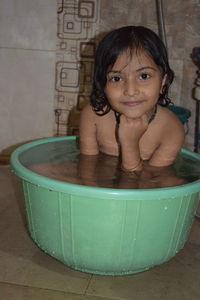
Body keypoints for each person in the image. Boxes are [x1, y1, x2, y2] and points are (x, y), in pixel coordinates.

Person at [79, 26, 185, 173]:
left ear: (163, 82)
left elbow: (148, 186)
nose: (130, 91)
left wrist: (130, 144)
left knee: (175, 182)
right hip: (101, 186)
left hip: (142, 189)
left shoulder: (171, 130)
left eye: (144, 76)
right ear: (103, 84)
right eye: (116, 78)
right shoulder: (92, 116)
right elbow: (85, 172)